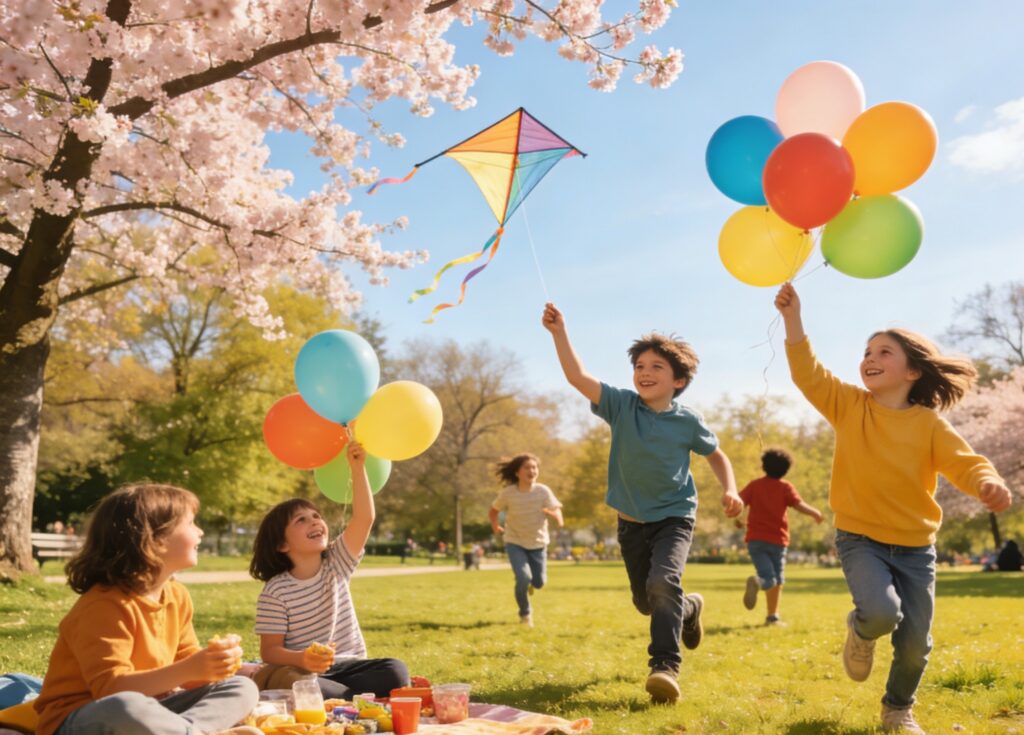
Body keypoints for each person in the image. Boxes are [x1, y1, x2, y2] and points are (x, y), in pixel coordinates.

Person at [775, 282, 1013, 734]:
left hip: (916, 548)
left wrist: (988, 481)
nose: (870, 358)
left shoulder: (928, 424)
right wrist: (793, 319)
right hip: (860, 537)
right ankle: (861, 630)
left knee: (914, 645)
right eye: (867, 351)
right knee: (882, 614)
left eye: (884, 352)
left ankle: (897, 710)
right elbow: (808, 374)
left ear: (912, 372)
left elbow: (965, 462)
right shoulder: (848, 405)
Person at [542, 302, 743, 704]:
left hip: (675, 517)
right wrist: (559, 332)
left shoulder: (687, 420)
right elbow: (577, 377)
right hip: (631, 521)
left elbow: (716, 455)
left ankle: (664, 667)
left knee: (661, 583)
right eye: (640, 367)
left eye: (656, 368)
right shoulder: (621, 405)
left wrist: (731, 488)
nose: (645, 373)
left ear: (679, 380)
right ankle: (688, 610)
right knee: (646, 601)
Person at [33, 484, 260, 735]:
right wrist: (189, 668)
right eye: (191, 523)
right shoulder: (104, 605)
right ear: (155, 539)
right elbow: (110, 688)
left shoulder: (177, 596)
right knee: (124, 705)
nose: (200, 532)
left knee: (241, 687)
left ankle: (190, 731)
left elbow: (186, 669)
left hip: (154, 709)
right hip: (82, 717)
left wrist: (213, 666)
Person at [250, 439, 409, 699]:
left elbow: (364, 518)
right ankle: (339, 696)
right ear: (281, 544)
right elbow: (270, 651)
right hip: (302, 669)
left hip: (348, 666)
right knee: (299, 682)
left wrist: (357, 470)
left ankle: (336, 696)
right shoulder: (276, 591)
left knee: (395, 671)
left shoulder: (337, 563)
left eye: (316, 516)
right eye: (301, 520)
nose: (315, 522)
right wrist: (303, 658)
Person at [738, 448, 824, 625]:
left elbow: (739, 502)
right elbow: (798, 505)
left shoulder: (755, 485)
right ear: (786, 470)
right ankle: (759, 583)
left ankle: (772, 616)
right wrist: (814, 512)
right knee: (772, 579)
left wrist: (736, 516)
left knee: (776, 579)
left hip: (756, 540)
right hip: (778, 541)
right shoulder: (785, 487)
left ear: (763, 466)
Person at [488, 453, 564, 626]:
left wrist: (557, 518)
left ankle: (529, 583)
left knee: (539, 583)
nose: (532, 470)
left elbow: (556, 508)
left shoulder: (542, 491)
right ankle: (525, 613)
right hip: (515, 542)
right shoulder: (508, 493)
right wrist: (496, 527)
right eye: (527, 467)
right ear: (517, 472)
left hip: (538, 543)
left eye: (534, 467)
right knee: (523, 577)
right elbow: (493, 511)